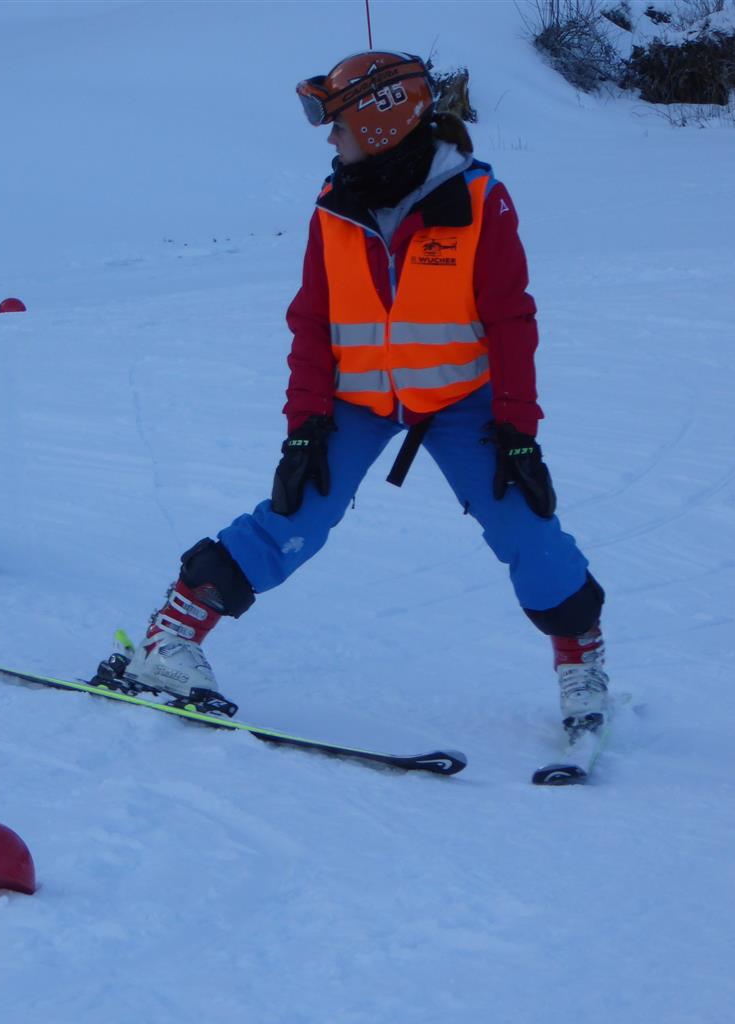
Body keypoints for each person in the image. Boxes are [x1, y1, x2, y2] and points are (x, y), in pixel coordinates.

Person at [109, 51, 608, 732]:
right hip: (356, 399)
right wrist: (305, 426)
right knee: (295, 514)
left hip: (459, 399)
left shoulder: (477, 201)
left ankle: (581, 663)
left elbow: (511, 321)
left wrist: (518, 430)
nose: (330, 140)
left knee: (525, 524)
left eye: (337, 126)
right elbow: (313, 321)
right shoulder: (334, 207)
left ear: (380, 125)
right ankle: (169, 639)